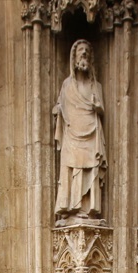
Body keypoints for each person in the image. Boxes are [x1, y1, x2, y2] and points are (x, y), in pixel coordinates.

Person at [53, 39, 106, 223]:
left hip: (91, 133)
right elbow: (62, 106)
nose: (84, 54)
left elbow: (101, 109)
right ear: (74, 58)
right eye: (80, 52)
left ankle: (88, 209)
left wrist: (98, 106)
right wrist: (58, 111)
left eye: (86, 52)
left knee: (90, 169)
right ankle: (71, 208)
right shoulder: (67, 85)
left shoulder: (96, 86)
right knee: (72, 168)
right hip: (72, 134)